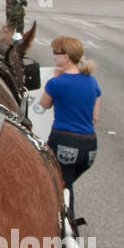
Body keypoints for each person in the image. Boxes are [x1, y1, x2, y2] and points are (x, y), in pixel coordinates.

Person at [37, 36, 100, 221]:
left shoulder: (56, 83)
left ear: (65, 57)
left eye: (56, 53)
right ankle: (66, 221)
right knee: (66, 182)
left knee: (59, 183)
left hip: (64, 141)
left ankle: (65, 225)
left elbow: (43, 104)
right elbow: (95, 117)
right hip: (89, 146)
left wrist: (56, 79)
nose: (53, 57)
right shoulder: (91, 81)